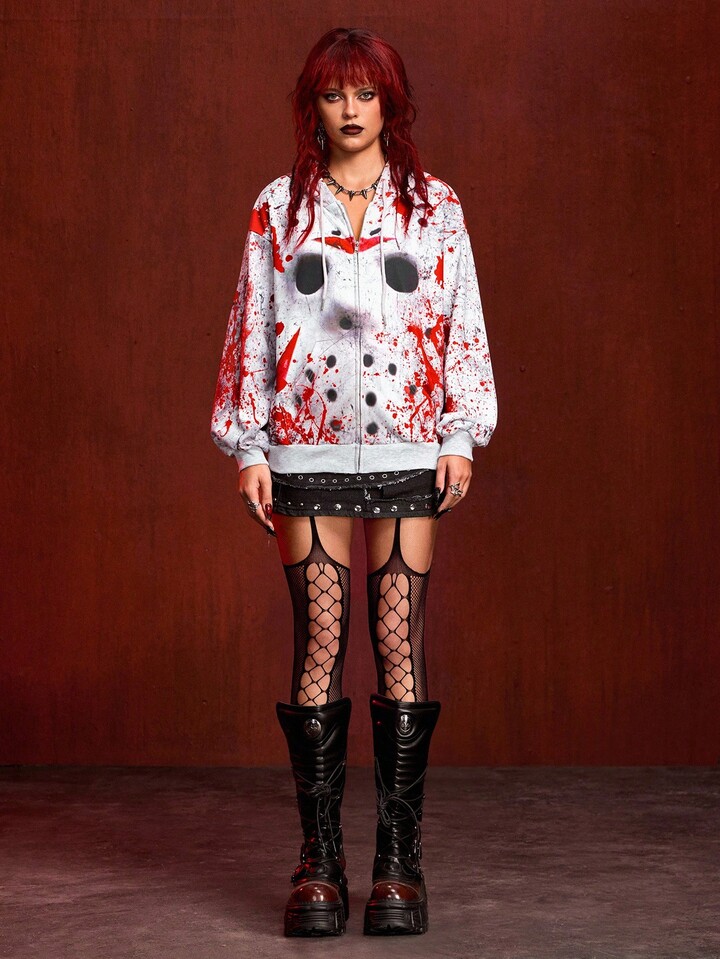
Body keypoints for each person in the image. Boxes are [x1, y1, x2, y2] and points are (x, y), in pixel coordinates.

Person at [211, 26, 497, 937]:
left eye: (365, 93)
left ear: (389, 103)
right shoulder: (278, 208)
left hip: (409, 448)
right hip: (306, 450)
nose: (349, 110)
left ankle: (399, 864)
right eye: (333, 94)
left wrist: (460, 432)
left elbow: (460, 319)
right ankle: (320, 861)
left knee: (399, 643)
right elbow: (252, 325)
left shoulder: (435, 206)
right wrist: (250, 447)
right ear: (313, 104)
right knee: (319, 646)